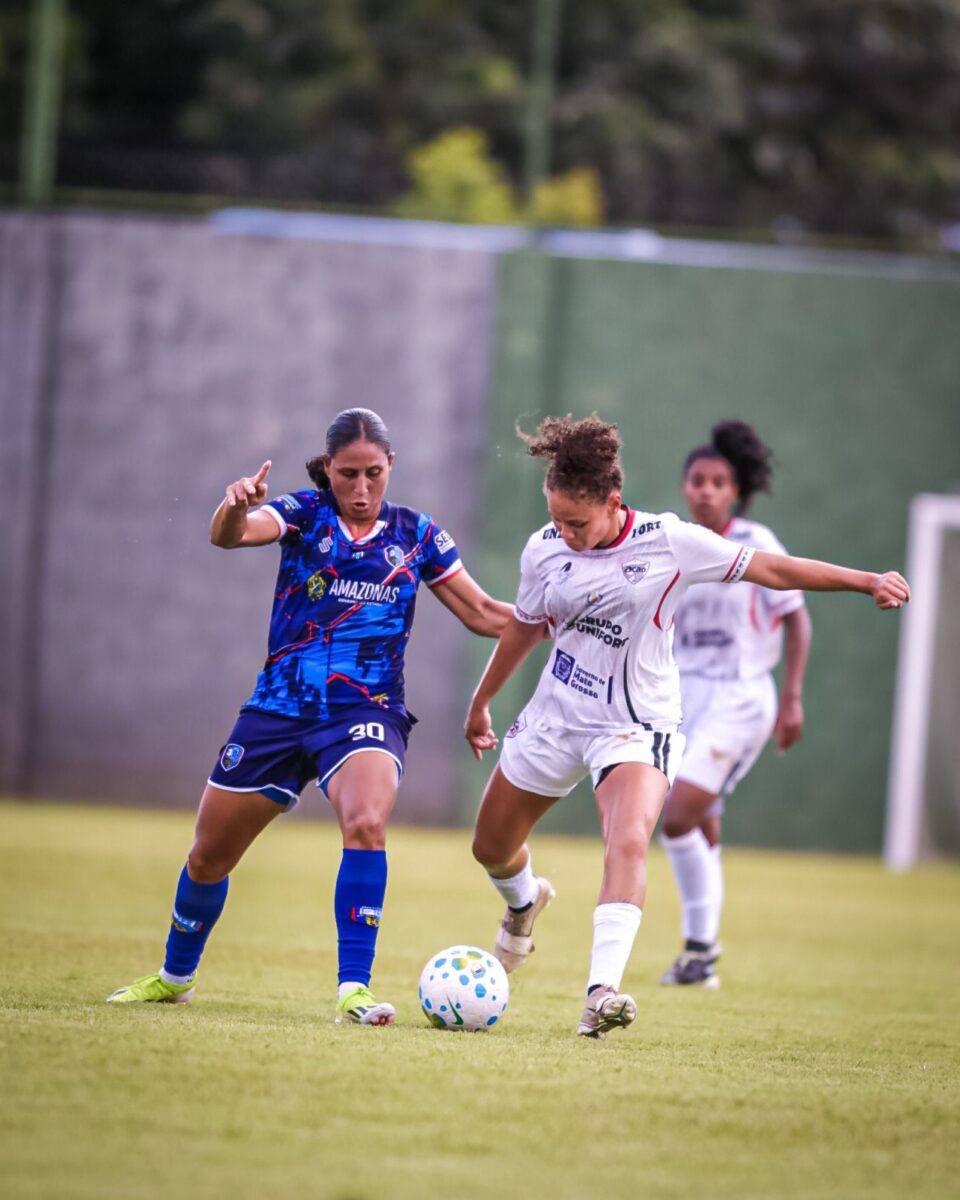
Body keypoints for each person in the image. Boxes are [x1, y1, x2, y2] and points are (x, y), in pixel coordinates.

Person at [464, 414, 908, 1038]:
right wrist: (482, 700)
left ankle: (601, 993)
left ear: (613, 502)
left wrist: (866, 582)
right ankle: (523, 904)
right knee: (490, 847)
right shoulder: (544, 548)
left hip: (636, 726)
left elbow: (772, 571)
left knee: (627, 839)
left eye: (577, 523)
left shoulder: (671, 542)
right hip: (556, 717)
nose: (564, 533)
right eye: (556, 518)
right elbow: (526, 627)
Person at [107, 407, 512, 1024]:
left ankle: (355, 988)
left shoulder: (417, 534)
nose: (360, 489)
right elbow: (229, 535)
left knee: (367, 821)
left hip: (365, 712)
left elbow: (485, 613)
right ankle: (174, 977)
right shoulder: (303, 513)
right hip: (279, 708)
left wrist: (563, 615)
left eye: (373, 474)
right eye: (347, 474)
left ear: (390, 466)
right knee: (208, 857)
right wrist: (235, 504)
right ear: (328, 469)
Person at [659, 421, 811, 990]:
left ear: (734, 490)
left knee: (676, 817)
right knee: (704, 825)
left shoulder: (757, 541)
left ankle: (700, 948)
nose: (705, 490)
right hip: (685, 696)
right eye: (696, 480)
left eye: (717, 482)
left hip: (743, 697)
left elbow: (797, 617)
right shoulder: (675, 542)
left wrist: (791, 697)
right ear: (684, 486)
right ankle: (702, 964)